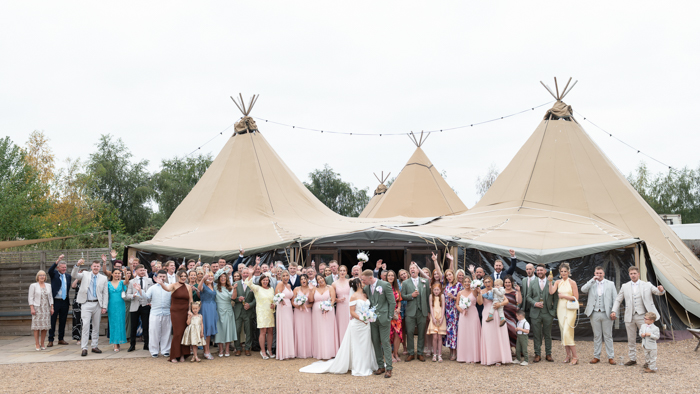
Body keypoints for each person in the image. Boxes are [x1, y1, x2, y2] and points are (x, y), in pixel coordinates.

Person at [300, 278, 378, 376]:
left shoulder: (365, 295)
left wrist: (369, 316)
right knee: (357, 345)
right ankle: (358, 366)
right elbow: (352, 312)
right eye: (361, 282)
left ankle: (367, 364)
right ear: (357, 284)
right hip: (358, 324)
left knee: (366, 345)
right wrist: (362, 319)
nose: (363, 283)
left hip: (366, 325)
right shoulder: (353, 296)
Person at [612, 266, 665, 366]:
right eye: (631, 274)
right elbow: (618, 299)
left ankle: (648, 361)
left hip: (643, 317)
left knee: (646, 339)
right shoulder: (625, 286)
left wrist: (661, 290)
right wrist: (614, 310)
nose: (633, 275)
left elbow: (658, 292)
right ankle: (632, 359)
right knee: (631, 339)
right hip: (629, 316)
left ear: (638, 274)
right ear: (629, 275)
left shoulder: (647, 285)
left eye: (634, 273)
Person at [361, 269, 395, 378]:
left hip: (384, 318)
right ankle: (381, 366)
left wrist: (389, 316)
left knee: (385, 342)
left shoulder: (384, 285)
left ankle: (389, 368)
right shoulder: (366, 288)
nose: (363, 282)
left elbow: (392, 301)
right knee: (375, 342)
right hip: (372, 320)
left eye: (364, 280)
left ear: (370, 278)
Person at [71, 260, 109, 357]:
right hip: (86, 303)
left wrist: (104, 306)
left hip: (97, 304)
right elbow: (74, 274)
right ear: (91, 267)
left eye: (97, 266)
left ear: (100, 267)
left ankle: (94, 346)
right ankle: (84, 348)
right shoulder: (84, 274)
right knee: (86, 325)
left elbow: (105, 293)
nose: (96, 268)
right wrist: (77, 265)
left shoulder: (103, 278)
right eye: (94, 266)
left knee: (96, 326)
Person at [155, 270, 194, 362]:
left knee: (184, 333)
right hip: (175, 312)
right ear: (178, 277)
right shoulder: (173, 285)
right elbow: (167, 289)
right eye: (182, 276)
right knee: (177, 333)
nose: (183, 277)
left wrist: (189, 311)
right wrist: (161, 284)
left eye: (185, 276)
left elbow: (191, 300)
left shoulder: (188, 287)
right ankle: (174, 355)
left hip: (185, 312)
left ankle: (182, 355)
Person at [581, 266, 617, 364]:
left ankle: (611, 357)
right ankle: (596, 356)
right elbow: (583, 289)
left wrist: (614, 311)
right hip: (594, 312)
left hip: (607, 313)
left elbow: (615, 299)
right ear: (594, 273)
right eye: (597, 273)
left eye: (600, 273)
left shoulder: (610, 284)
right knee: (597, 336)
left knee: (608, 335)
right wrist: (592, 280)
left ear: (604, 274)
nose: (599, 275)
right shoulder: (592, 283)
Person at [549, 262, 579, 364]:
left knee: (567, 331)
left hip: (570, 309)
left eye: (565, 271)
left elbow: (576, 298)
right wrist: (550, 282)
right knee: (563, 332)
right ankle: (568, 355)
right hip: (560, 309)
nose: (563, 273)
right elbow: (551, 292)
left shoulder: (572, 283)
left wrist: (564, 296)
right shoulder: (557, 282)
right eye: (561, 271)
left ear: (568, 272)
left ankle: (575, 357)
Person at [527, 264, 557, 362]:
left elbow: (556, 298)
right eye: (538, 270)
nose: (539, 272)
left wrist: (553, 311)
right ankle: (537, 354)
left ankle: (548, 353)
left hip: (548, 313)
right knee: (536, 334)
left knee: (547, 334)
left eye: (541, 270)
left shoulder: (551, 281)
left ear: (545, 271)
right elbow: (528, 297)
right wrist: (535, 303)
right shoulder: (532, 282)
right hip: (535, 312)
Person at [480, 276, 512, 365]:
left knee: (498, 335)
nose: (487, 283)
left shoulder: (496, 290)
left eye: (489, 282)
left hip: (497, 314)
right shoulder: (482, 292)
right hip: (487, 313)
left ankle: (499, 358)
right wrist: (478, 293)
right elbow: (479, 303)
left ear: (491, 282)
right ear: (483, 283)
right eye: (485, 282)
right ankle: (489, 358)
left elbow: (506, 301)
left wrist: (500, 304)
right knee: (489, 336)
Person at [245, 267, 275, 359]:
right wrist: (250, 274)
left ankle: (269, 350)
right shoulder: (257, 288)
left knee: (270, 331)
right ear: (261, 281)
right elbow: (249, 283)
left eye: (267, 280)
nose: (265, 282)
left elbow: (273, 300)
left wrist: (274, 305)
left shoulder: (271, 289)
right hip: (261, 313)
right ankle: (263, 351)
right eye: (264, 280)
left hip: (270, 313)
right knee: (263, 332)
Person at [401, 261, 429, 362]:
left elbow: (427, 297)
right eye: (411, 268)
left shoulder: (424, 281)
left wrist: (428, 311)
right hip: (410, 311)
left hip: (422, 311)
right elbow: (403, 296)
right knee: (410, 332)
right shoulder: (405, 283)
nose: (412, 269)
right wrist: (411, 296)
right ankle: (411, 353)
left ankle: (420, 353)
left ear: (418, 270)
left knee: (421, 332)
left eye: (414, 268)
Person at [143, 270, 172, 358]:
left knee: (166, 332)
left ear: (166, 277)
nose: (162, 278)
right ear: (156, 277)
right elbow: (147, 297)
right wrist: (140, 291)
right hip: (155, 313)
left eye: (164, 276)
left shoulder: (169, 287)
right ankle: (154, 350)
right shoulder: (153, 287)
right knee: (154, 332)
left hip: (167, 312)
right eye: (160, 276)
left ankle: (165, 350)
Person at [310, 274, 339, 360]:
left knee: (328, 330)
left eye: (321, 278)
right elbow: (311, 300)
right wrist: (311, 290)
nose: (320, 280)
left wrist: (328, 307)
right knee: (318, 330)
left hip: (329, 311)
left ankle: (330, 352)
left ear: (324, 278)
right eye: (318, 279)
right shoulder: (315, 289)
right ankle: (320, 352)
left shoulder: (330, 288)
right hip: (317, 312)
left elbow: (333, 299)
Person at [209, 268, 237, 358]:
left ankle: (227, 349)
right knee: (220, 329)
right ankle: (221, 349)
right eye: (221, 277)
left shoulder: (230, 287)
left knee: (228, 329)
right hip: (219, 310)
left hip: (228, 309)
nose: (223, 278)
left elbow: (233, 297)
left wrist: (235, 289)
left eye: (224, 276)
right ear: (219, 278)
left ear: (227, 278)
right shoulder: (215, 287)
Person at [47, 254, 71, 348]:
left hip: (64, 301)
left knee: (63, 320)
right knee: (52, 321)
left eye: (65, 267)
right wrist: (58, 260)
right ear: (58, 267)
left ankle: (61, 338)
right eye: (62, 267)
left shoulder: (68, 276)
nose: (64, 269)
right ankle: (50, 340)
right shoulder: (54, 274)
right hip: (55, 301)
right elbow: (50, 270)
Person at [456, 276, 481, 363]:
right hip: (463, 315)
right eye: (465, 282)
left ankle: (474, 357)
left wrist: (473, 274)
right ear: (462, 283)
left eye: (468, 282)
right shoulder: (460, 293)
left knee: (473, 333)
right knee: (464, 334)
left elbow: (476, 283)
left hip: (473, 314)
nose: (467, 283)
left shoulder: (474, 291)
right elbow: (457, 304)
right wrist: (462, 310)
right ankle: (463, 356)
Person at [233, 266, 256, 356]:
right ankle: (238, 348)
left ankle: (247, 348)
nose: (245, 275)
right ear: (241, 274)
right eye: (244, 273)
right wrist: (238, 299)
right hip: (238, 310)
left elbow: (256, 299)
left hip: (248, 311)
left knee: (248, 330)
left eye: (247, 273)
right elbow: (232, 297)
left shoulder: (252, 284)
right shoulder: (236, 283)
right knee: (237, 330)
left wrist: (250, 305)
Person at [29, 270, 53, 350]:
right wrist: (32, 308)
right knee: (36, 327)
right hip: (37, 308)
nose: (42, 277)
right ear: (37, 277)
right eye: (40, 275)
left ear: (45, 277)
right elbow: (30, 297)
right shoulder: (33, 285)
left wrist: (52, 307)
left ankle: (42, 343)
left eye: (43, 275)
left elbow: (50, 297)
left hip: (46, 308)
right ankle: (37, 344)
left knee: (44, 327)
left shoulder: (48, 285)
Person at [274, 270, 295, 360]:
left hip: (289, 307)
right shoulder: (280, 284)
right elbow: (276, 295)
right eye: (284, 276)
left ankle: (290, 352)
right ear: (281, 277)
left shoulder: (289, 286)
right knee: (284, 328)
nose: (285, 277)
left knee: (289, 328)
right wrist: (281, 300)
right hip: (282, 307)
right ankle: (283, 352)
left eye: (287, 275)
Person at [442, 269, 461, 360]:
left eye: (450, 274)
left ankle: (455, 352)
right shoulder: (445, 286)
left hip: (454, 311)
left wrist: (453, 297)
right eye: (447, 275)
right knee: (448, 331)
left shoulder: (458, 285)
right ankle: (450, 351)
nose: (448, 277)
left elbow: (462, 298)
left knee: (454, 331)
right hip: (447, 311)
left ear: (453, 275)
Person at [293, 274, 314, 358]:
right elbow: (292, 301)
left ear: (307, 279)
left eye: (304, 279)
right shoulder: (296, 289)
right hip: (298, 312)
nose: (303, 280)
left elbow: (312, 302)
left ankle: (308, 351)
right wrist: (298, 306)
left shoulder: (311, 289)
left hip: (307, 312)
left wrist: (305, 306)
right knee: (298, 329)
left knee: (308, 330)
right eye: (301, 279)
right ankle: (298, 351)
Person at [198, 271, 218, 359]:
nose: (210, 277)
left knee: (209, 329)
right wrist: (203, 279)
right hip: (206, 308)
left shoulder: (213, 286)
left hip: (213, 308)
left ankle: (206, 350)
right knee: (206, 329)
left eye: (211, 276)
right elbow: (199, 288)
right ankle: (206, 351)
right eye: (208, 276)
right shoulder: (204, 287)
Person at [107, 268, 127, 351]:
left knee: (120, 323)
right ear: (112, 274)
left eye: (119, 273)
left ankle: (118, 342)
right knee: (113, 324)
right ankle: (115, 343)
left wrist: (125, 273)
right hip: (111, 306)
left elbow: (127, 281)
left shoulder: (122, 283)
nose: (117, 275)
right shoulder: (108, 283)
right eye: (115, 273)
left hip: (121, 305)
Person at [385, 270, 403, 363]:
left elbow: (399, 300)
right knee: (388, 334)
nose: (391, 277)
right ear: (386, 277)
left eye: (392, 275)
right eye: (389, 275)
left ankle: (396, 353)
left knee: (397, 334)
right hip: (387, 314)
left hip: (396, 314)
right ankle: (390, 354)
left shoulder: (396, 288)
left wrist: (399, 308)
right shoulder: (384, 287)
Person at [427, 282, 447, 362]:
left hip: (440, 317)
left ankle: (440, 355)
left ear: (440, 290)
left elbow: (443, 307)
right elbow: (431, 308)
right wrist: (433, 318)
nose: (436, 291)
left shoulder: (442, 296)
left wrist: (442, 317)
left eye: (437, 290)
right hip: (434, 317)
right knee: (434, 337)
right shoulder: (431, 296)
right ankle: (434, 354)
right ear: (432, 290)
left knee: (439, 337)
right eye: (434, 290)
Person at [332, 265, 351, 343]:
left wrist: (359, 267)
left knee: (349, 323)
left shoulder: (350, 281)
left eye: (344, 271)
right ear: (338, 272)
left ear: (346, 272)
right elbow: (332, 297)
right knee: (341, 324)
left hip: (349, 305)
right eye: (341, 271)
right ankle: (341, 344)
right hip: (340, 307)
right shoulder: (334, 283)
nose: (342, 272)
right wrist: (337, 300)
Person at [503, 276, 521, 350]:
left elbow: (519, 301)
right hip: (503, 315)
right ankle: (508, 351)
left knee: (514, 331)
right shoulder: (501, 292)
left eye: (509, 282)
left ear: (512, 283)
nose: (507, 284)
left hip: (512, 316)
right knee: (505, 334)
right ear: (504, 283)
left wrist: (519, 291)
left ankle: (519, 350)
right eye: (506, 282)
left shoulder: (515, 292)